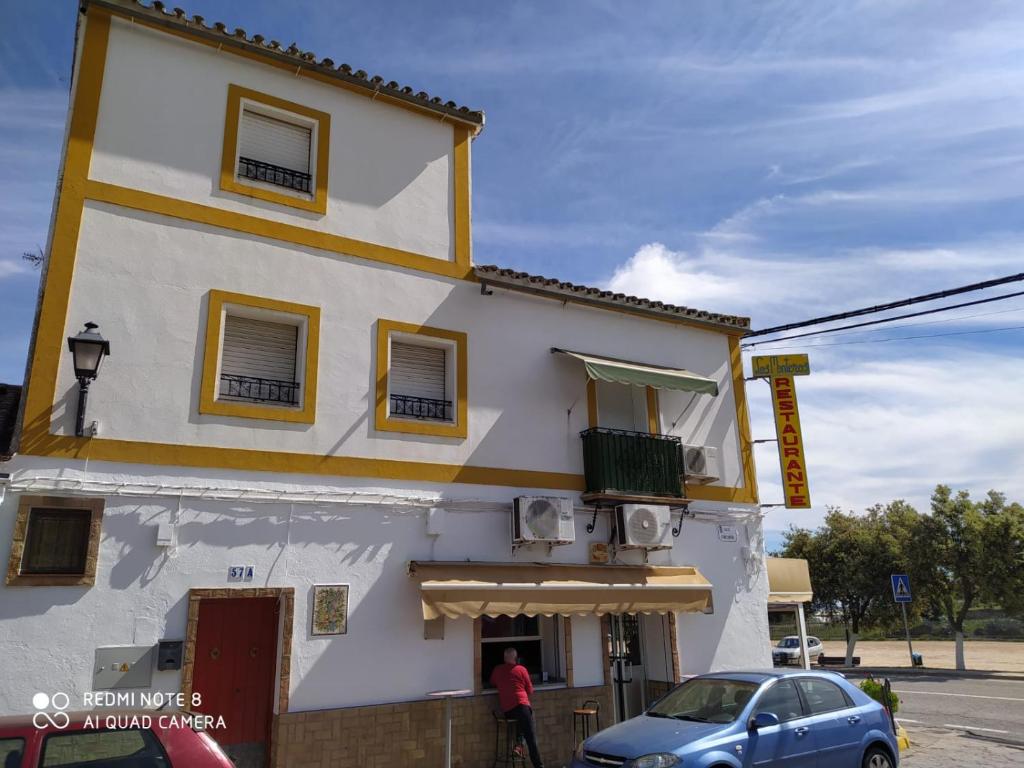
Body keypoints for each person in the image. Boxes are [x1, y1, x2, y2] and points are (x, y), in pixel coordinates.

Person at [490, 647, 544, 768]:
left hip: (508, 711)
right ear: (516, 658)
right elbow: (530, 690)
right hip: (522, 706)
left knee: (522, 720)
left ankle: (519, 745)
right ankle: (537, 764)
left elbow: (492, 682)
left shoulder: (497, 670)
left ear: (504, 658)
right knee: (531, 737)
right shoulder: (522, 669)